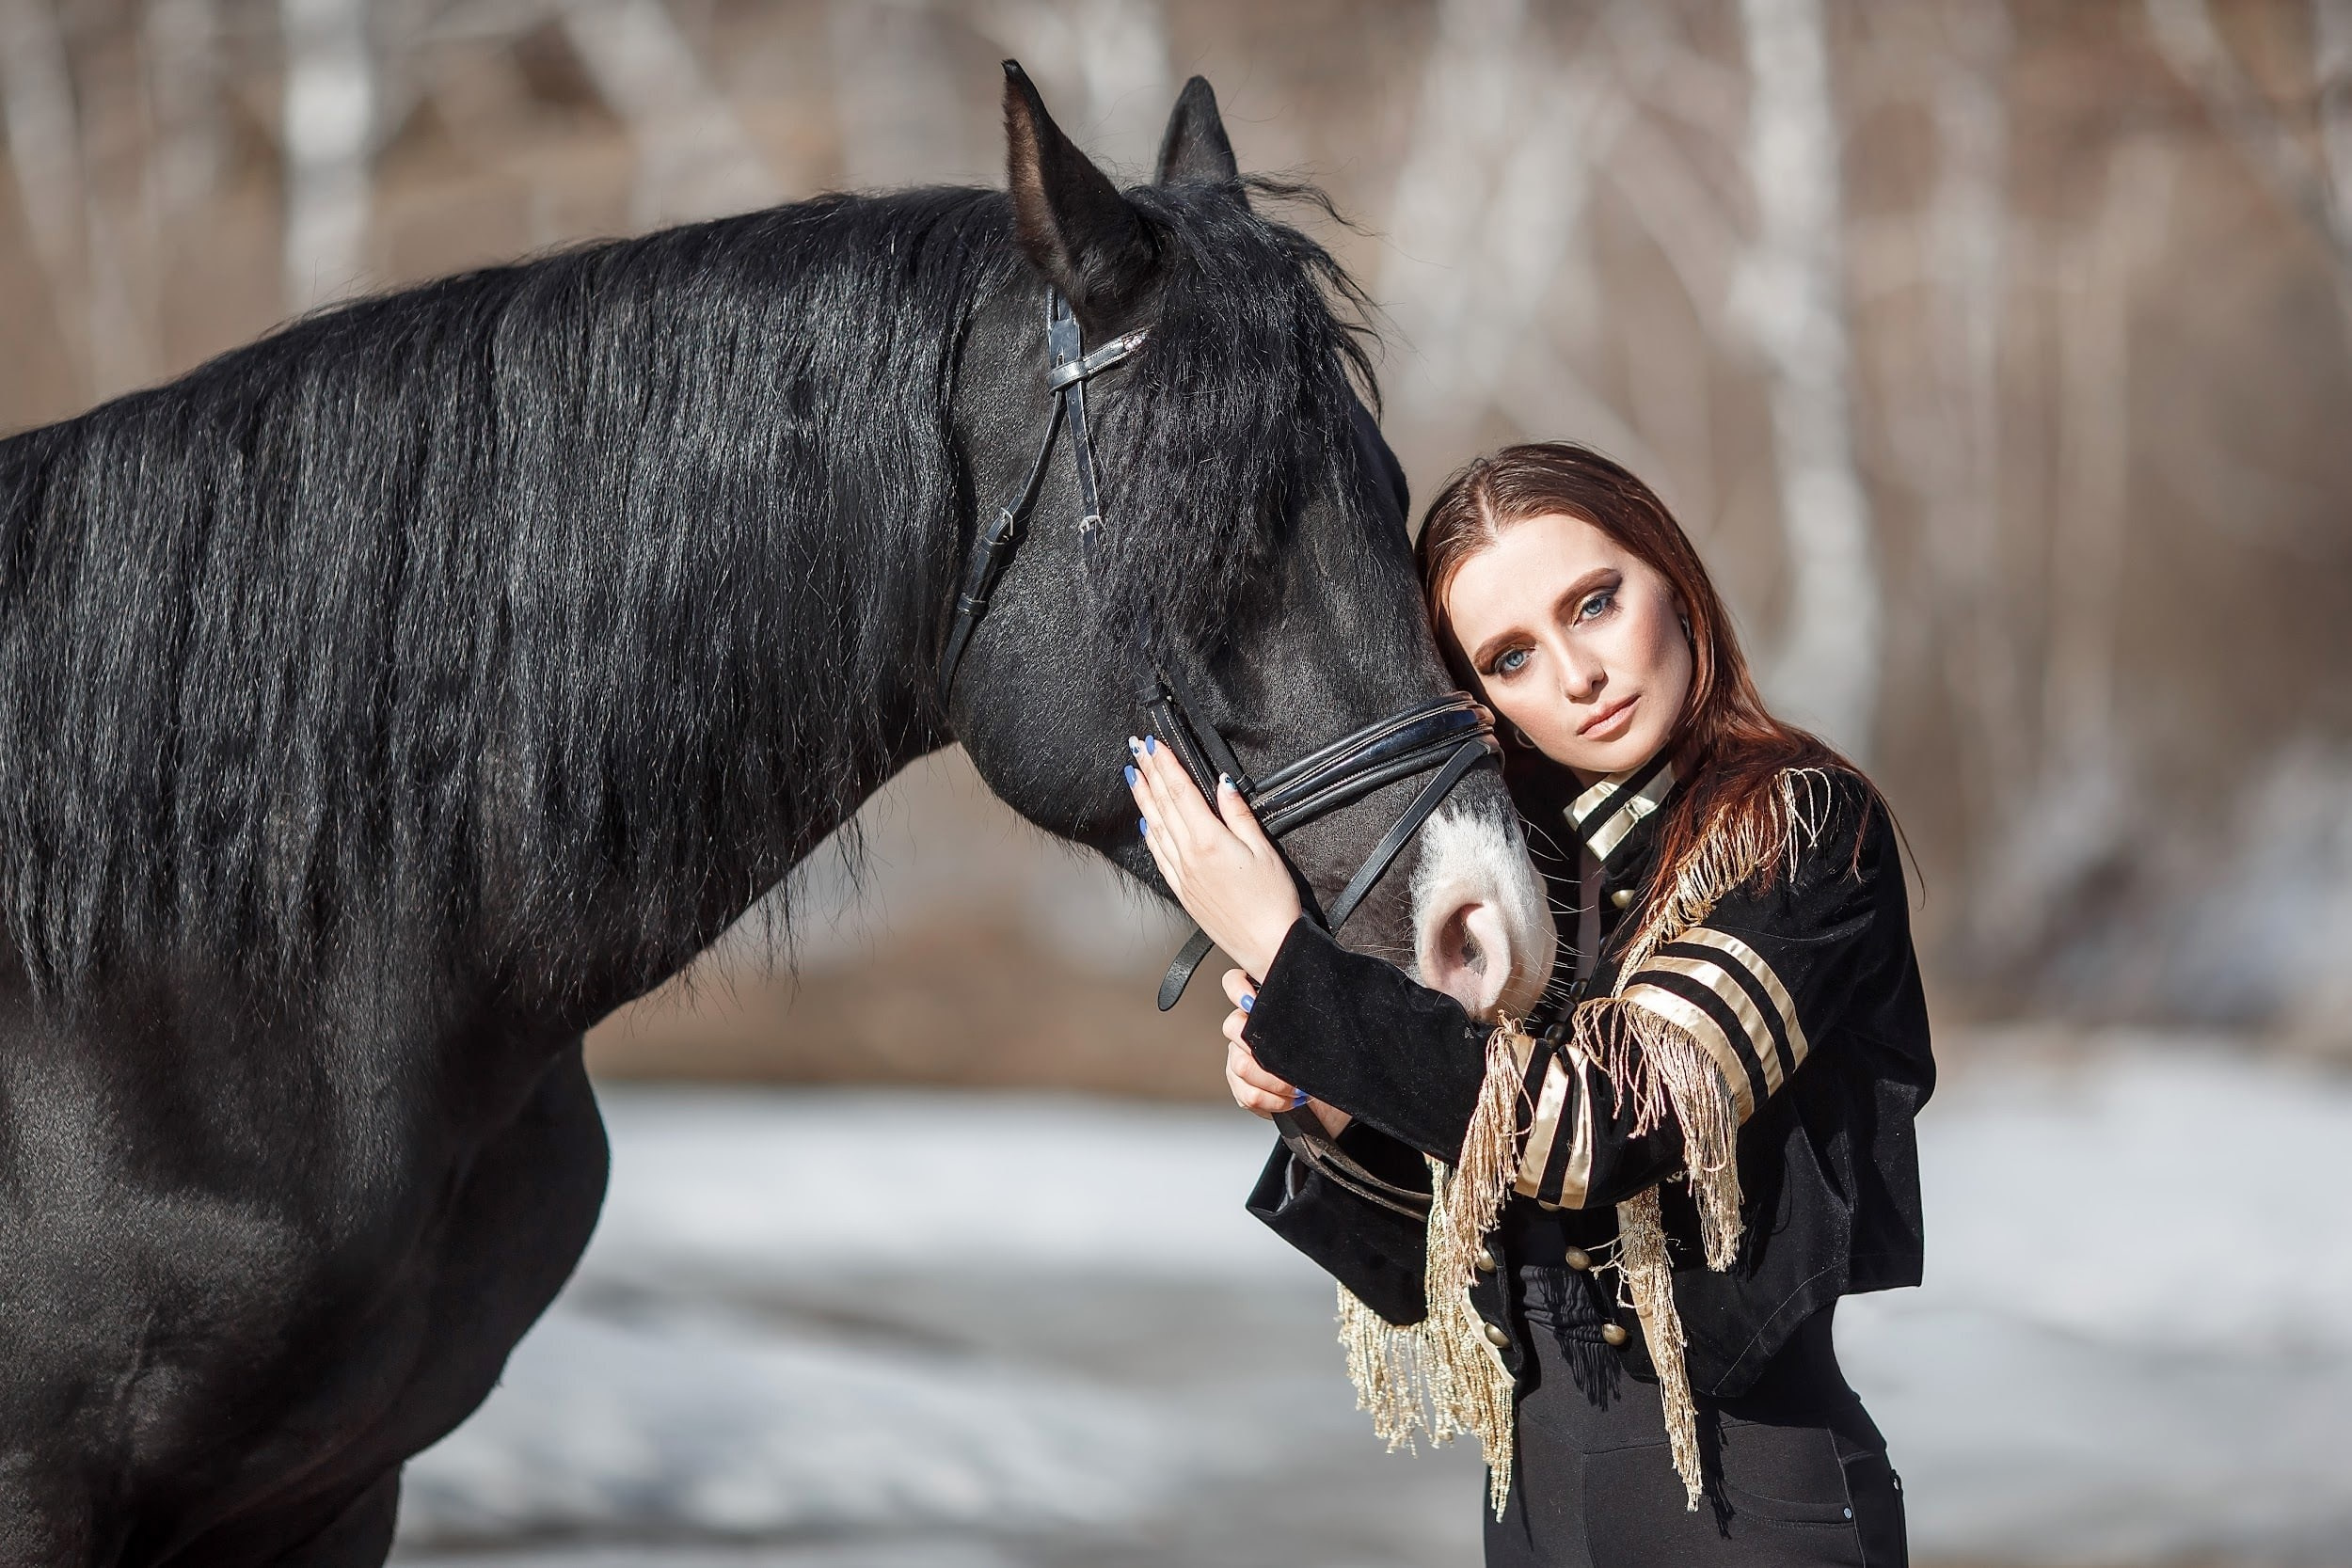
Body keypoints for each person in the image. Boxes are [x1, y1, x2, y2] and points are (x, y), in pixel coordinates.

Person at [1122, 442, 1931, 1565]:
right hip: (1530, 1507)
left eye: (1593, 603)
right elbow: (1428, 1244)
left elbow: (1607, 1123)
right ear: (1481, 702)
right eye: (1511, 656)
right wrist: (1330, 1098)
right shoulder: (1514, 886)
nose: (1577, 674)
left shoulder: (1798, 829)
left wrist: (1287, 955)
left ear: (1674, 579)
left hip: (1751, 1504)